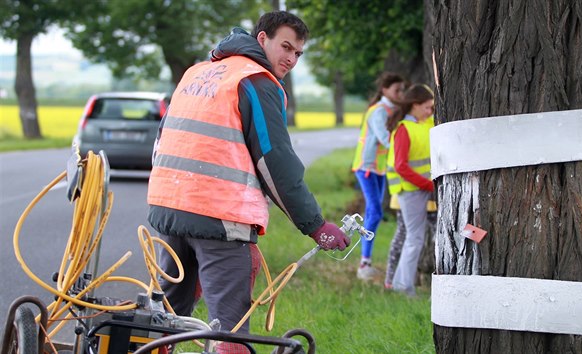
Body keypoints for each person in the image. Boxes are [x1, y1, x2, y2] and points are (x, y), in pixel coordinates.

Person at [146, 11, 350, 353]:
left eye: (298, 53)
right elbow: (276, 164)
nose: (291, 59)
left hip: (169, 210)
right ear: (262, 39)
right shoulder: (257, 81)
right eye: (285, 47)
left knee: (166, 319)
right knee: (232, 328)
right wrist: (316, 225)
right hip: (219, 217)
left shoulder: (196, 73)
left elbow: (162, 140)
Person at [351, 72, 404, 280]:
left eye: (402, 90)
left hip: (379, 168)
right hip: (366, 167)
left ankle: (366, 262)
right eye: (397, 90)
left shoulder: (393, 110)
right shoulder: (379, 112)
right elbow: (385, 138)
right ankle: (364, 263)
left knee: (374, 212)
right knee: (374, 213)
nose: (401, 93)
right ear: (385, 90)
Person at [384, 83, 435, 297]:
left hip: (423, 188)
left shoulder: (427, 123)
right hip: (411, 190)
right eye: (427, 107)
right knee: (414, 238)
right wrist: (428, 185)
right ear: (415, 105)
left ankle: (399, 284)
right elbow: (401, 166)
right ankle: (403, 287)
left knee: (416, 238)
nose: (431, 111)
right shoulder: (404, 130)